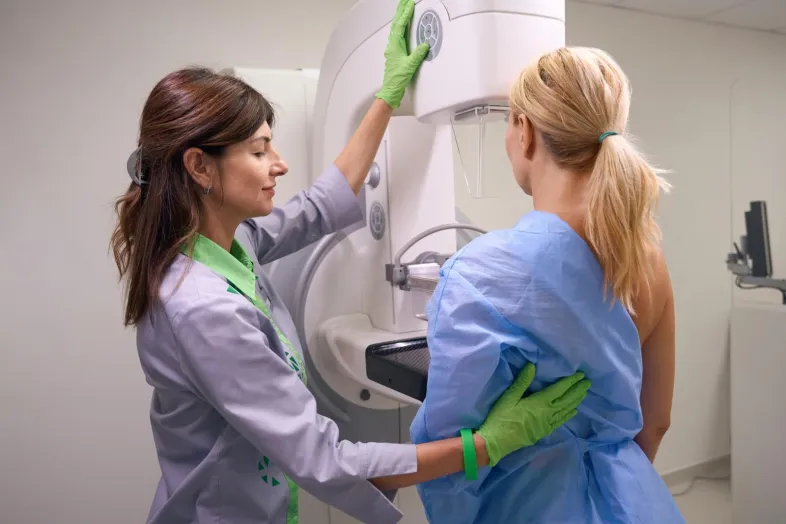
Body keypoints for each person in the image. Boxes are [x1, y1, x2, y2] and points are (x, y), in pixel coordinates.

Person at [109, 2, 591, 523]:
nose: (280, 163)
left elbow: (319, 205)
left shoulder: (228, 244)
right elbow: (327, 460)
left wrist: (384, 99)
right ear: (200, 166)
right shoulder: (203, 309)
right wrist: (485, 445)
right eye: (259, 150)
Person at [410, 46, 684, 523]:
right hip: (634, 503)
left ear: (525, 131)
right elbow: (656, 423)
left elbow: (450, 450)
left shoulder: (479, 273)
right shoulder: (647, 258)